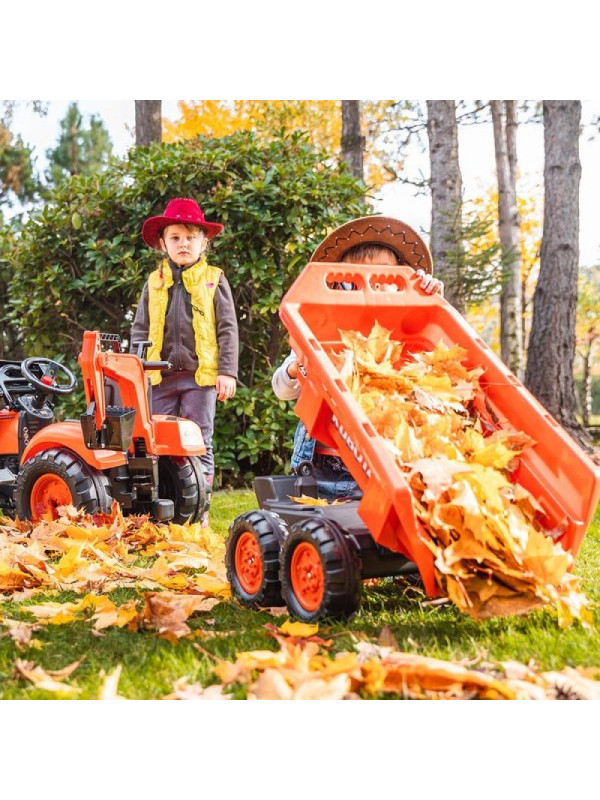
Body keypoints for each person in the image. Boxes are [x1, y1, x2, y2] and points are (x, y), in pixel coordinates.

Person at [272, 215, 443, 500]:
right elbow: (281, 388)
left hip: (381, 465)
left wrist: (427, 294)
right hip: (321, 468)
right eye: (357, 277)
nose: (371, 286)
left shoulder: (405, 325)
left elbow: (430, 343)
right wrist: (295, 369)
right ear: (341, 282)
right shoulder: (321, 324)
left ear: (400, 278)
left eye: (384, 277)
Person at [130, 197, 239, 525]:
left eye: (191, 237)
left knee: (198, 442)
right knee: (157, 441)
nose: (183, 244)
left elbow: (227, 329)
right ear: (163, 243)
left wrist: (227, 372)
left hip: (199, 378)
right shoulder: (154, 282)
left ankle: (200, 511)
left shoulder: (214, 279)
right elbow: (140, 328)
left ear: (204, 242)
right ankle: (164, 509)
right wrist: (138, 367)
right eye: (175, 237)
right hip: (159, 378)